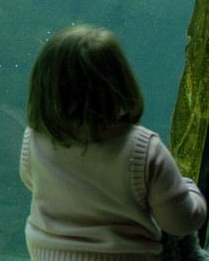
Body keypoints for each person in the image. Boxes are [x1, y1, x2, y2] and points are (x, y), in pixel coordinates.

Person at [20, 24, 207, 260]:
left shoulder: (34, 138)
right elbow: (181, 223)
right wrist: (191, 189)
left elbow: (33, 183)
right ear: (120, 81)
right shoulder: (144, 147)